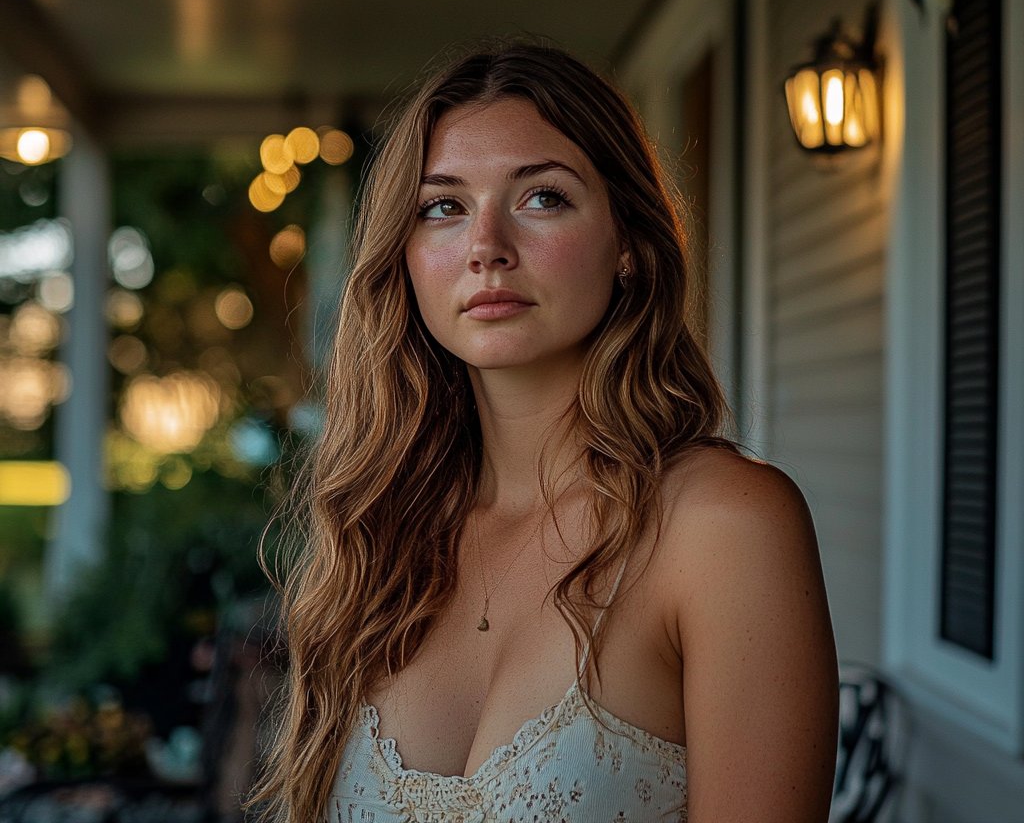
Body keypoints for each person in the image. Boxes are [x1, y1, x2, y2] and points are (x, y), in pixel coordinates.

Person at [251, 42, 839, 822]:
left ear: (629, 242)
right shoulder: (382, 534)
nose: (486, 247)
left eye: (543, 199)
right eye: (443, 207)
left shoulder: (723, 526)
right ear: (407, 256)